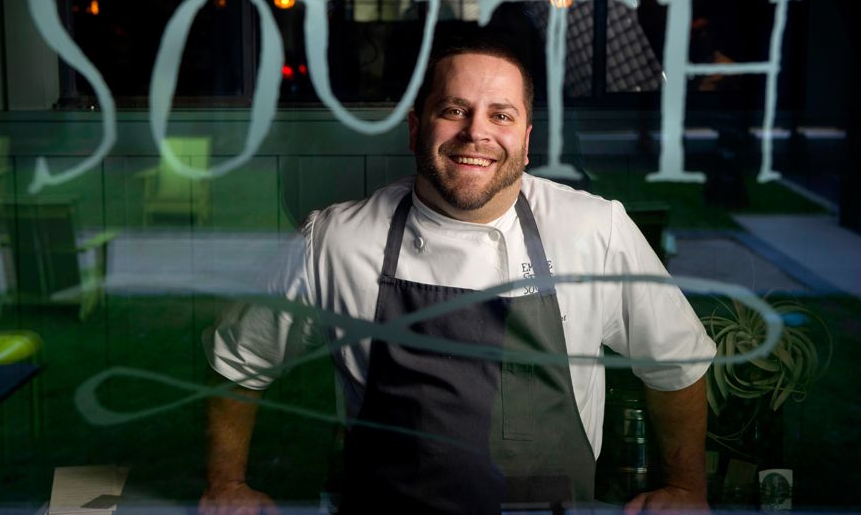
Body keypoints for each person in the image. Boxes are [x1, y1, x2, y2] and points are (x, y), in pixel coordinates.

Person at [199, 36, 716, 514]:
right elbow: (240, 358)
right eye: (453, 110)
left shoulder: (594, 230)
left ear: (526, 141)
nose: (476, 133)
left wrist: (685, 488)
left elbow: (676, 359)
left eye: (501, 115)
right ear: (416, 128)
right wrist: (226, 483)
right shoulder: (336, 240)